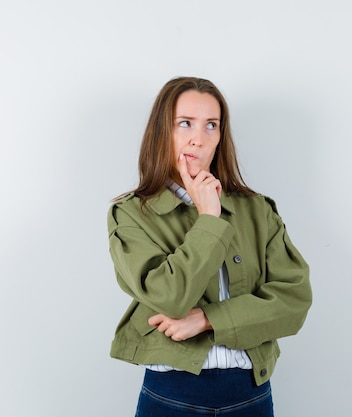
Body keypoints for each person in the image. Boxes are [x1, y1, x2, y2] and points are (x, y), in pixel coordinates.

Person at [107, 76, 312, 417]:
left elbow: (294, 301)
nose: (198, 139)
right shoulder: (131, 214)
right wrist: (209, 219)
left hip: (250, 394)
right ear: (162, 132)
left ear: (220, 136)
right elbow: (169, 297)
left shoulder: (256, 210)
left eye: (211, 126)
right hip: (171, 396)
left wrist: (207, 320)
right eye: (184, 123)